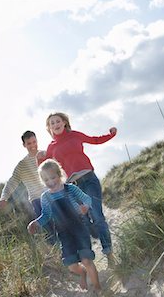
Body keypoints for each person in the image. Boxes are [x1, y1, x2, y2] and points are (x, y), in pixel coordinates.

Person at [37, 112, 117, 265]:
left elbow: (94, 140)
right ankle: (99, 236)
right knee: (85, 222)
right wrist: (40, 158)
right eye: (52, 123)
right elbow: (46, 171)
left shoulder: (75, 135)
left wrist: (111, 134)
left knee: (97, 216)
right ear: (49, 128)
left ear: (64, 122)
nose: (55, 124)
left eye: (58, 121)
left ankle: (109, 253)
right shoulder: (51, 147)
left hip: (89, 179)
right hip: (72, 187)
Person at [27, 159, 101, 291]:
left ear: (59, 174)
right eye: (46, 180)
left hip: (79, 227)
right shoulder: (45, 197)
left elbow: (87, 199)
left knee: (86, 260)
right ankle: (82, 272)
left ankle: (98, 288)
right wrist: (36, 223)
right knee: (72, 265)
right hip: (64, 233)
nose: (50, 182)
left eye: (53, 177)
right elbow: (46, 215)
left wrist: (85, 206)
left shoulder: (70, 188)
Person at [0, 130, 56, 243]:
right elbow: (12, 181)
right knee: (48, 228)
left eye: (34, 142)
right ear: (24, 145)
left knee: (61, 222)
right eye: (29, 143)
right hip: (37, 200)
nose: (33, 145)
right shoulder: (22, 165)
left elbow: (60, 169)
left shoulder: (46, 155)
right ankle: (60, 253)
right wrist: (3, 197)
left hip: (52, 194)